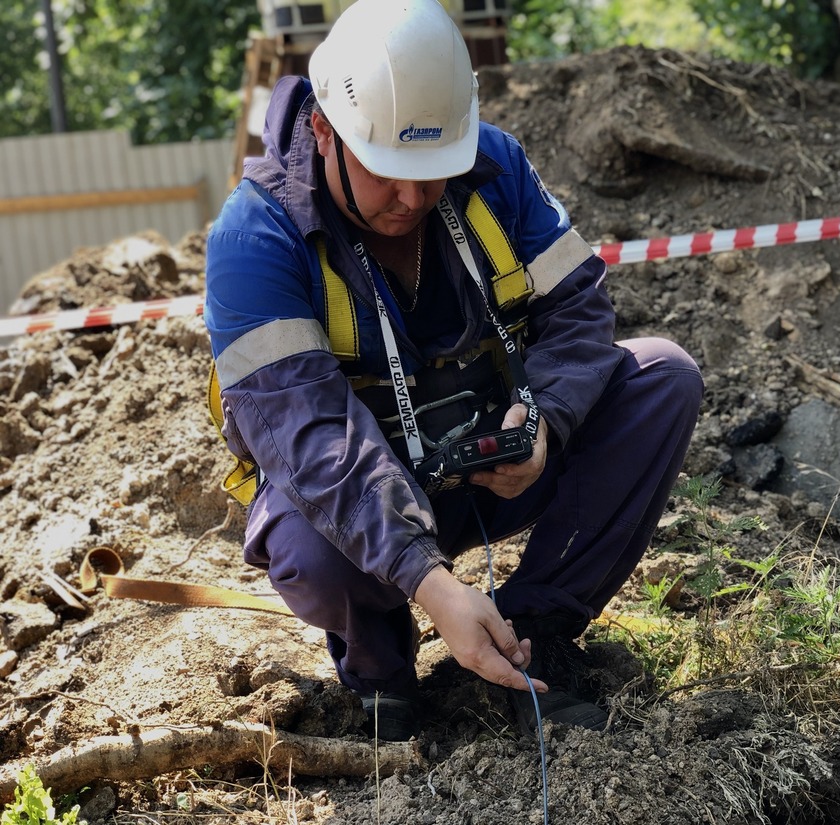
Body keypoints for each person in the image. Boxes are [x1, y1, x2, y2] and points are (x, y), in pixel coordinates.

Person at [204, 0, 702, 741]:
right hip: (364, 497)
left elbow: (579, 311)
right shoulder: (255, 237)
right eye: (389, 174)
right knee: (305, 540)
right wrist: (433, 584)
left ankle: (533, 638)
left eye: (433, 173)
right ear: (322, 130)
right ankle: (381, 671)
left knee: (662, 377)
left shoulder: (494, 166)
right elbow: (310, 439)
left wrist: (544, 421)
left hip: (492, 466)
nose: (413, 199)